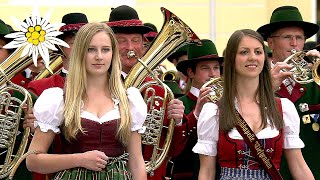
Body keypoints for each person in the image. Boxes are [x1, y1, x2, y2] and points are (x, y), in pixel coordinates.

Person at [26, 22, 147, 179]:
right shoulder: (59, 99)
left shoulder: (129, 99)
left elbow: (136, 161)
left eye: (105, 50)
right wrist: (79, 159)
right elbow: (33, 160)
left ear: (113, 54)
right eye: (91, 49)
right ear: (80, 53)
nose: (99, 56)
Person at [193, 29, 313, 179]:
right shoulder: (214, 110)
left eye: (258, 52)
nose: (252, 58)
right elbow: (207, 171)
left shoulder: (283, 107)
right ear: (231, 59)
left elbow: (299, 166)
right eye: (244, 52)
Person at [107, 5, 185, 179]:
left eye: (135, 40)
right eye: (122, 41)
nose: (130, 47)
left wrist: (177, 122)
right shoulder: (96, 85)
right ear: (109, 44)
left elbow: (173, 150)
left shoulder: (157, 90)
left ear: (143, 44)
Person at [257, 6, 320, 179]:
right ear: (270, 43)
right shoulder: (256, 80)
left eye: (299, 37)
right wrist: (268, 89)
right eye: (287, 37)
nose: (294, 43)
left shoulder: (315, 79)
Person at [24, 12, 89, 180]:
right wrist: (31, 129)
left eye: (87, 43)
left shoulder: (106, 87)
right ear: (60, 48)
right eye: (75, 43)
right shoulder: (39, 87)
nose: (82, 49)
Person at [172, 39, 223, 179]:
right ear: (191, 72)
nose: (213, 74)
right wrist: (197, 113)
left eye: (216, 68)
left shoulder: (227, 103)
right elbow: (176, 150)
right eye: (205, 68)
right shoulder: (179, 104)